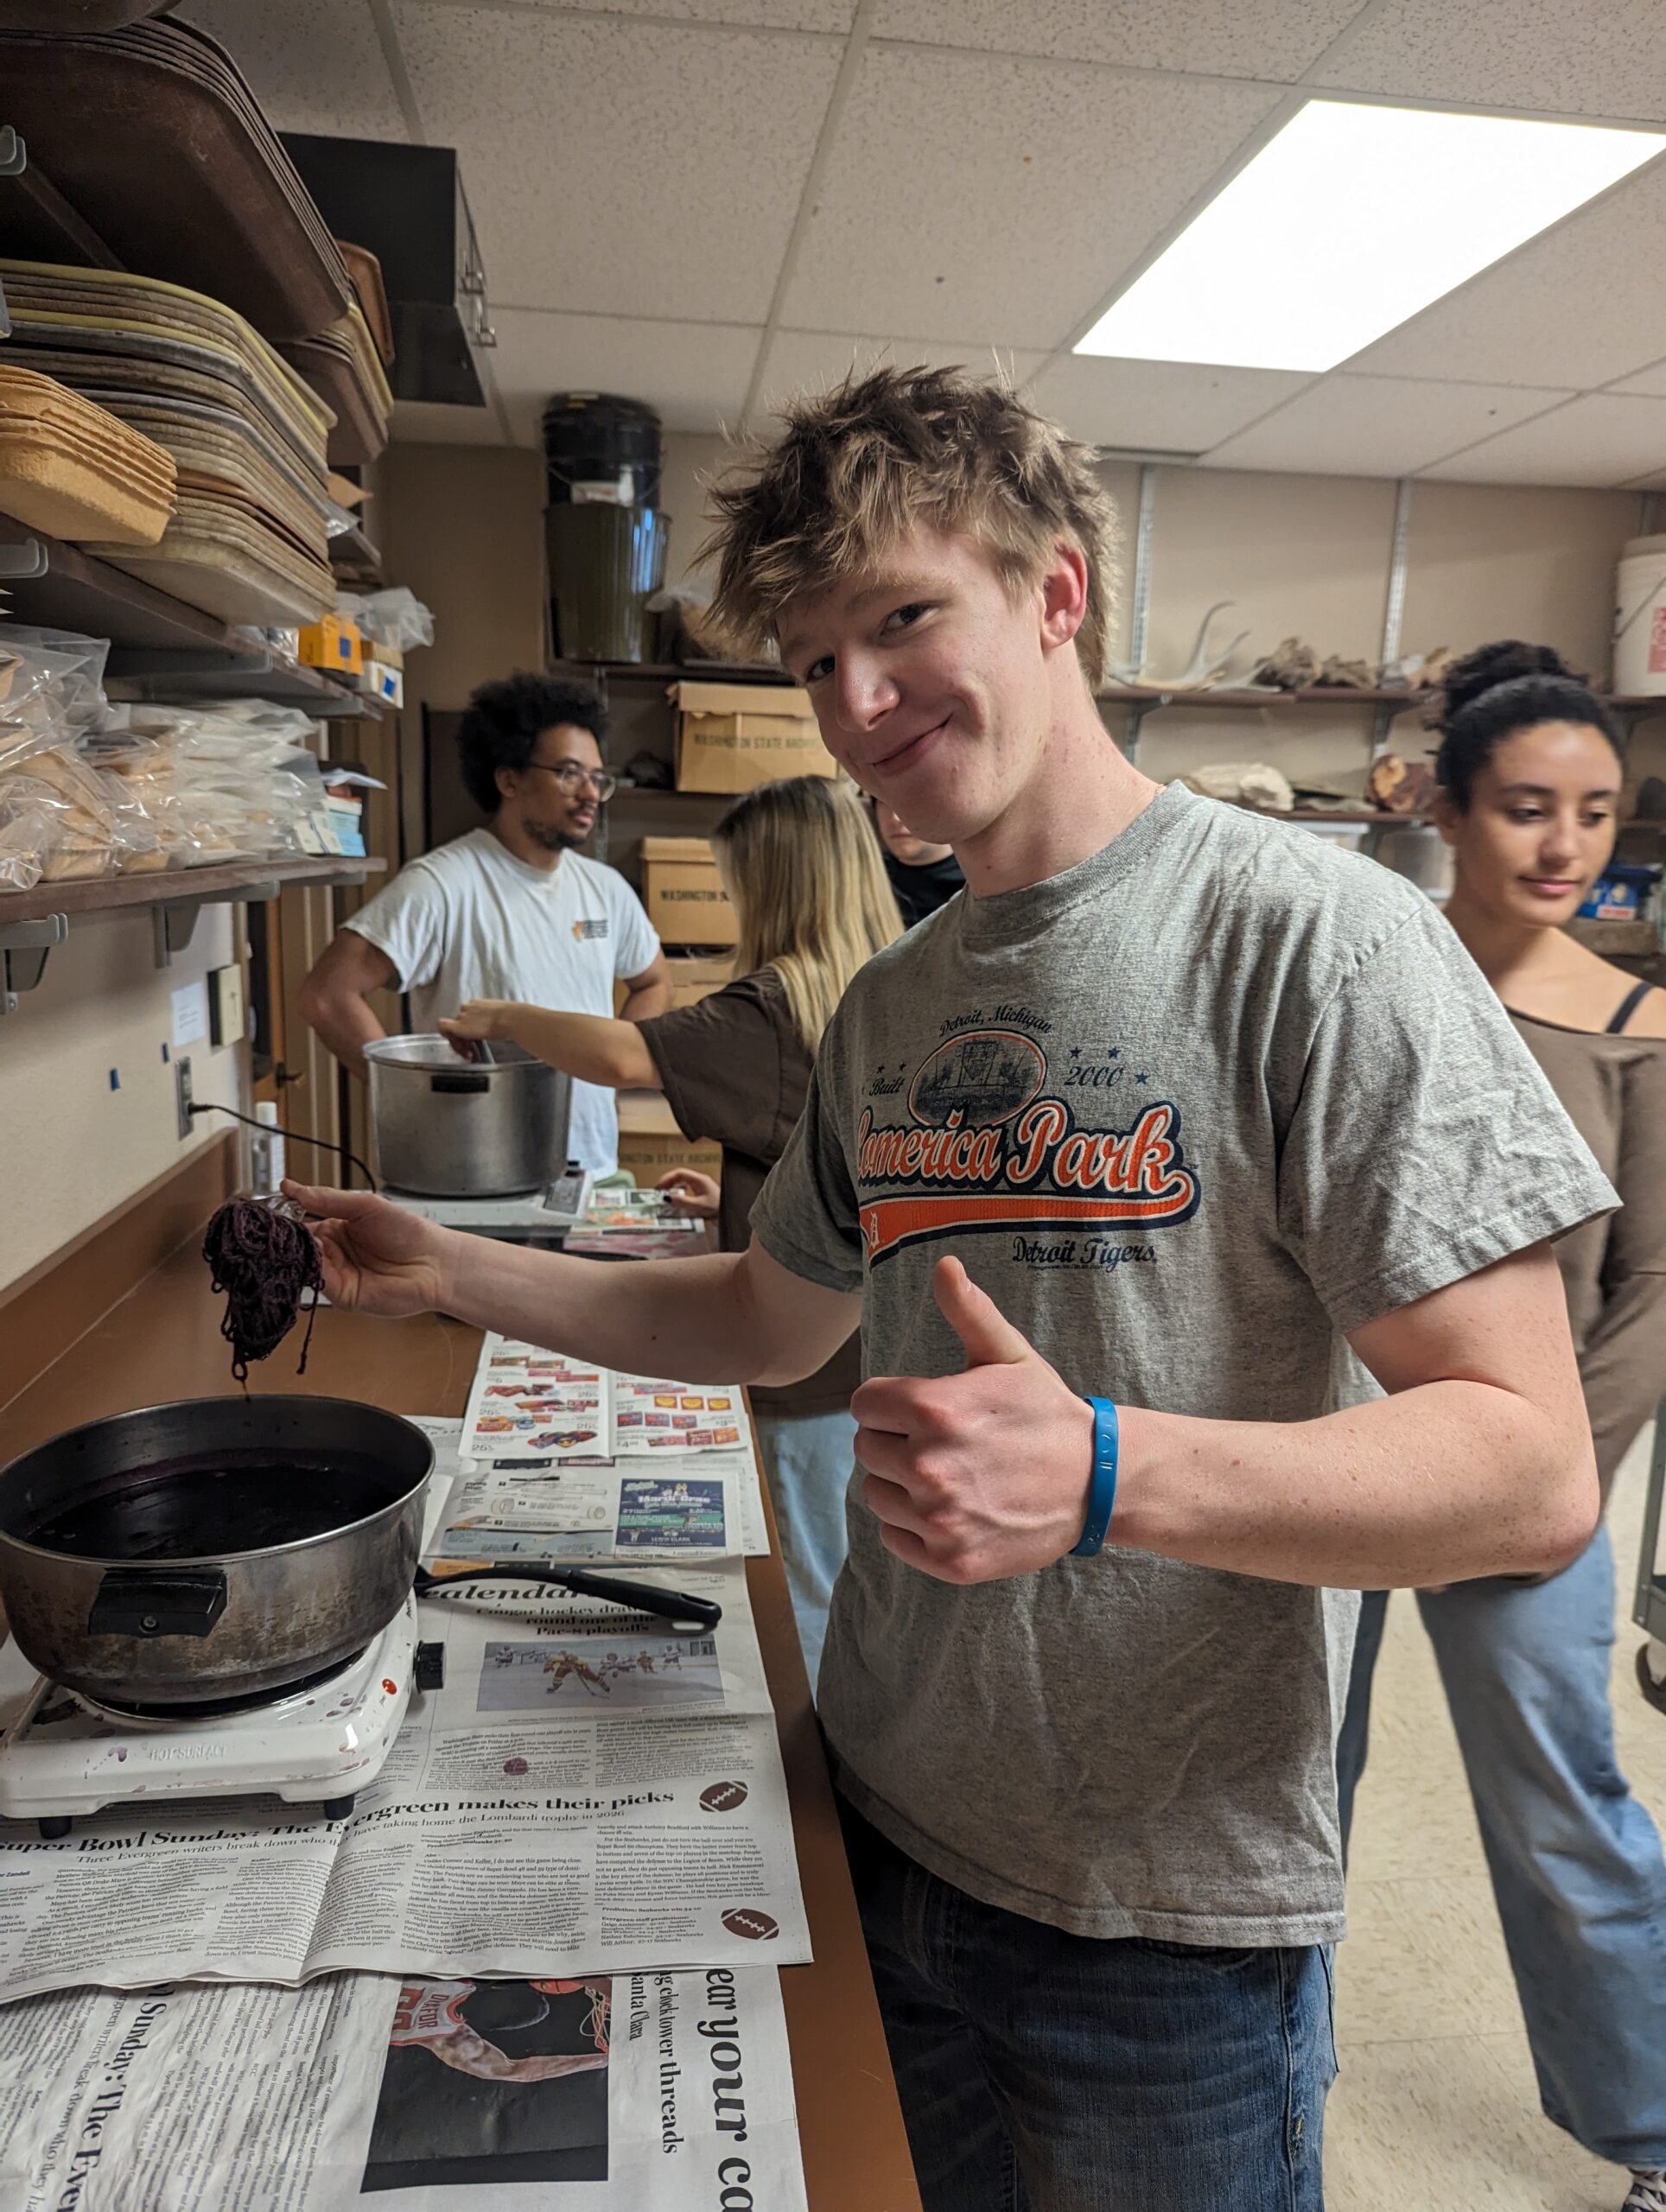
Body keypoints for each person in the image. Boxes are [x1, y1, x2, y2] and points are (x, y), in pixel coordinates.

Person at [289, 367, 1612, 2212]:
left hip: (1163, 1913)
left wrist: (1100, 1472)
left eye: (901, 620)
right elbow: (768, 1316)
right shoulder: (895, 1003)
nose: (855, 705)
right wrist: (451, 1269)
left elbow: (1527, 1470)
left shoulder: (1317, 940)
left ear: (1055, 594)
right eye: (816, 660)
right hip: (878, 1816)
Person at [1335, 641, 1666, 2212]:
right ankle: (1261, 2065)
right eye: (1526, 808)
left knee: (1561, 1809)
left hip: (1529, 1488)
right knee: (1277, 1787)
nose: (1563, 846)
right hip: (1326, 1457)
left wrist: (1550, 1476)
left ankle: (1656, 2129)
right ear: (1445, 812)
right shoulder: (1365, 979)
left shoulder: (1636, 1022)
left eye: (1594, 813)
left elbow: (1653, 1284)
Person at [435, 774, 902, 1686]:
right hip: (873, 1347)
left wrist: (499, 1015)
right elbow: (826, 1168)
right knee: (846, 1569)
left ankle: (808, 1781)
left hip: (806, 1377)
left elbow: (617, 1054)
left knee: (800, 1588)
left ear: (777, 887)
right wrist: (740, 1206)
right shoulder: (885, 987)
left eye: (739, 889)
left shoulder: (775, 1004)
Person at [298, 672, 668, 1172]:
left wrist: (616, 1065)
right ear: (509, 779)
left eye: (598, 779)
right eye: (568, 773)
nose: (588, 794)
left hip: (588, 1167)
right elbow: (326, 994)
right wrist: (418, 1094)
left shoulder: (606, 890)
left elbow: (653, 980)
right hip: (472, 1171)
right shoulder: (443, 883)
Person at [870, 795, 964, 925]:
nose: (895, 818)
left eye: (915, 800)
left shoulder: (977, 883)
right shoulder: (866, 879)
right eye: (885, 802)